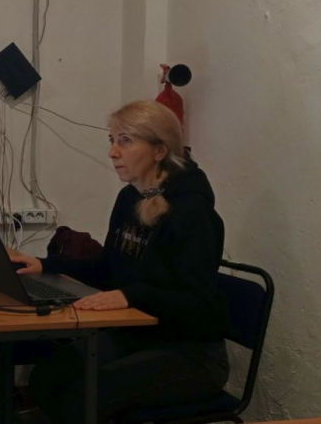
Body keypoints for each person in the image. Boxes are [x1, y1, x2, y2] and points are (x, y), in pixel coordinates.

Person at [12, 100, 230, 424]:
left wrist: (130, 295)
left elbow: (199, 306)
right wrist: (46, 265)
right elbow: (107, 268)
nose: (113, 152)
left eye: (125, 141)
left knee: (81, 399)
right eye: (112, 140)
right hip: (138, 334)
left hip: (190, 352)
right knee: (47, 377)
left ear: (159, 150)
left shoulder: (193, 215)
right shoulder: (130, 197)